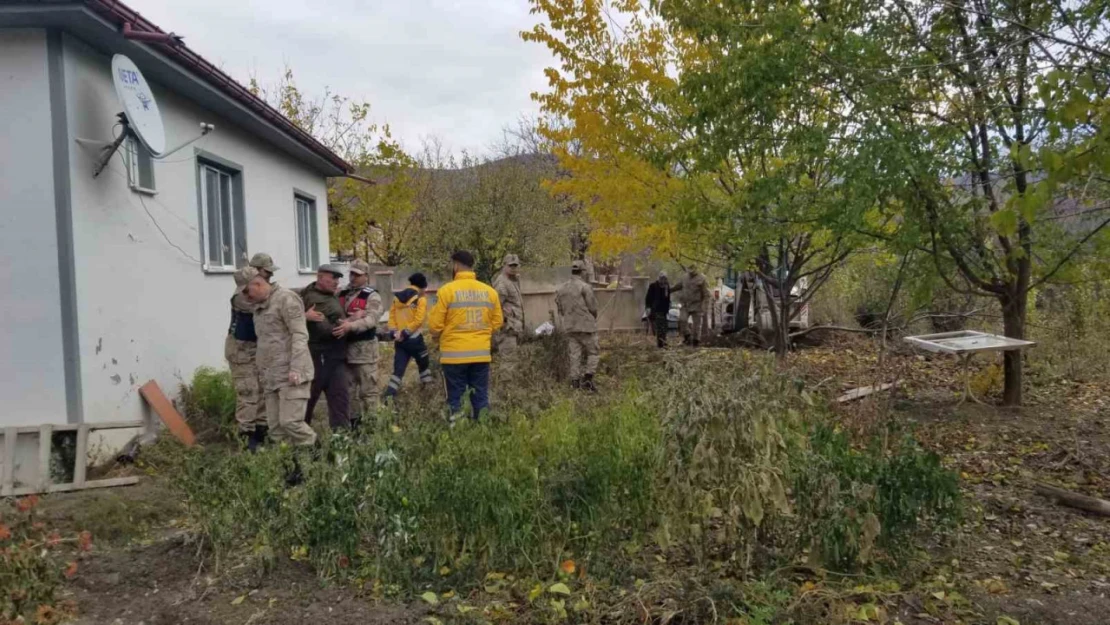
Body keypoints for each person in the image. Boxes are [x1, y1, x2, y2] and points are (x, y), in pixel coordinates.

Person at [428, 251, 503, 422]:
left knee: (455, 398)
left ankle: (459, 433)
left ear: (456, 265)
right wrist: (482, 333)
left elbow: (434, 326)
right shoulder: (490, 292)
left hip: (454, 357)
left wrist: (441, 334)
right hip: (481, 354)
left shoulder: (446, 291)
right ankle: (483, 430)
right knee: (480, 396)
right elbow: (498, 322)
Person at [245, 273, 316, 450]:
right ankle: (289, 468)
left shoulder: (286, 299)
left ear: (258, 283)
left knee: (291, 422)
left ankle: (319, 459)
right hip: (271, 376)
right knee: (276, 429)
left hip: (291, 373)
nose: (246, 296)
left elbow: (300, 334)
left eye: (247, 291)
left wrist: (297, 368)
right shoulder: (259, 307)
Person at [299, 264, 351, 430]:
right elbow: (328, 330)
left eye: (338, 278)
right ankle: (301, 444)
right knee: (308, 400)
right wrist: (350, 325)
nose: (336, 282)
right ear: (320, 277)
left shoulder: (328, 295)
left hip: (334, 357)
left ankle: (341, 445)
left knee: (340, 401)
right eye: (333, 278)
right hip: (319, 358)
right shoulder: (314, 299)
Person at [335, 260, 383, 426]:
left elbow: (371, 319)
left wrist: (351, 325)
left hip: (364, 353)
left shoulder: (372, 296)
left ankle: (373, 427)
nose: (353, 277)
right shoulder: (341, 293)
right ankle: (355, 426)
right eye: (351, 273)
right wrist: (350, 319)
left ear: (366, 276)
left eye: (357, 274)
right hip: (344, 352)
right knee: (347, 392)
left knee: (368, 392)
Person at [226, 266, 267, 451]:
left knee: (262, 390)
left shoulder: (259, 289)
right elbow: (267, 306)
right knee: (248, 392)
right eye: (265, 272)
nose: (269, 276)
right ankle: (246, 438)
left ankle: (261, 433)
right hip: (241, 350)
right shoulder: (242, 296)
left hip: (255, 349)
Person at [384, 272, 434, 398]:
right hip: (415, 339)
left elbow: (391, 317)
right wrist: (406, 332)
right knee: (424, 364)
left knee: (398, 370)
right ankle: (428, 391)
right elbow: (418, 320)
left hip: (399, 340)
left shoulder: (397, 298)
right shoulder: (420, 299)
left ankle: (389, 397)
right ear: (422, 286)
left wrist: (395, 332)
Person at [555, 260, 599, 391]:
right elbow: (593, 307)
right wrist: (594, 317)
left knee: (574, 355)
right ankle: (588, 380)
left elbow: (560, 309)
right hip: (586, 326)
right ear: (582, 272)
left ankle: (575, 383)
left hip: (570, 326)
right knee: (594, 352)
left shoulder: (561, 289)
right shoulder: (585, 287)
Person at [491, 254, 524, 356]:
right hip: (507, 330)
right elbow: (495, 306)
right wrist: (504, 320)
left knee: (514, 361)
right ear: (504, 266)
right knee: (509, 363)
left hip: (514, 329)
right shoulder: (502, 283)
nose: (513, 268)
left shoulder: (513, 280)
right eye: (510, 266)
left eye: (515, 266)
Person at [672, 266, 711, 346]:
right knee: (682, 320)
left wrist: (705, 306)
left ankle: (696, 341)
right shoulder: (685, 277)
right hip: (686, 304)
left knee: (697, 325)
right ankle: (687, 336)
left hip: (697, 304)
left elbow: (707, 294)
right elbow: (679, 286)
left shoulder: (702, 278)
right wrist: (669, 289)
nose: (691, 272)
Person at [645, 271, 671, 349]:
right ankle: (660, 344)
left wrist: (669, 307)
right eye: (662, 278)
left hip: (664, 310)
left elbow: (668, 298)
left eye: (664, 279)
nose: (663, 280)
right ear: (659, 278)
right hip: (656, 309)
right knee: (659, 327)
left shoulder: (667, 286)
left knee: (664, 327)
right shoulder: (653, 286)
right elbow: (648, 298)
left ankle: (664, 341)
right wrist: (648, 307)